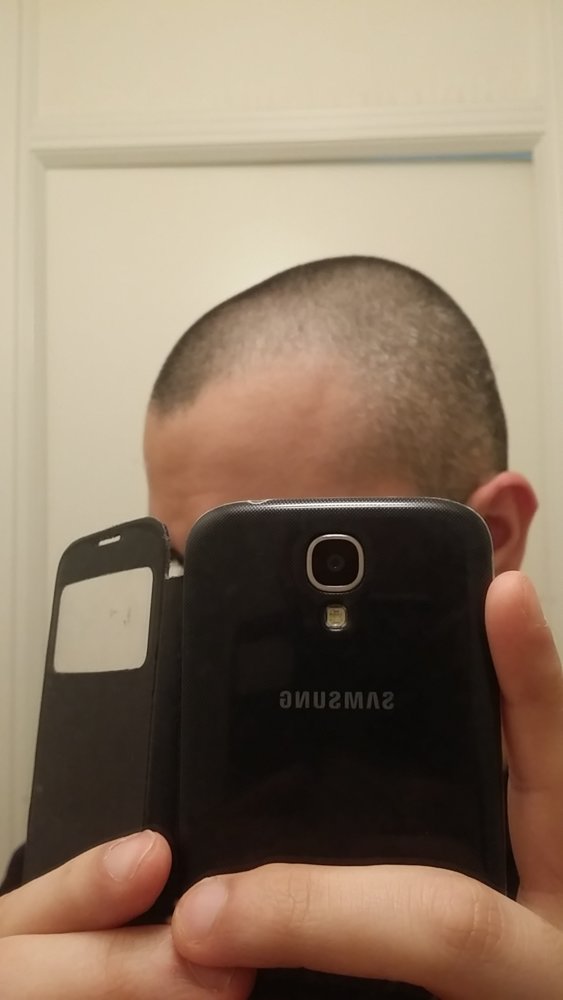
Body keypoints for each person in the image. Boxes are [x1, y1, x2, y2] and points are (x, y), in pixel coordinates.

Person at [1, 256, 562, 998]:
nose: (195, 629)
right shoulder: (108, 858)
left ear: (494, 535)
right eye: (191, 571)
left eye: (266, 567)